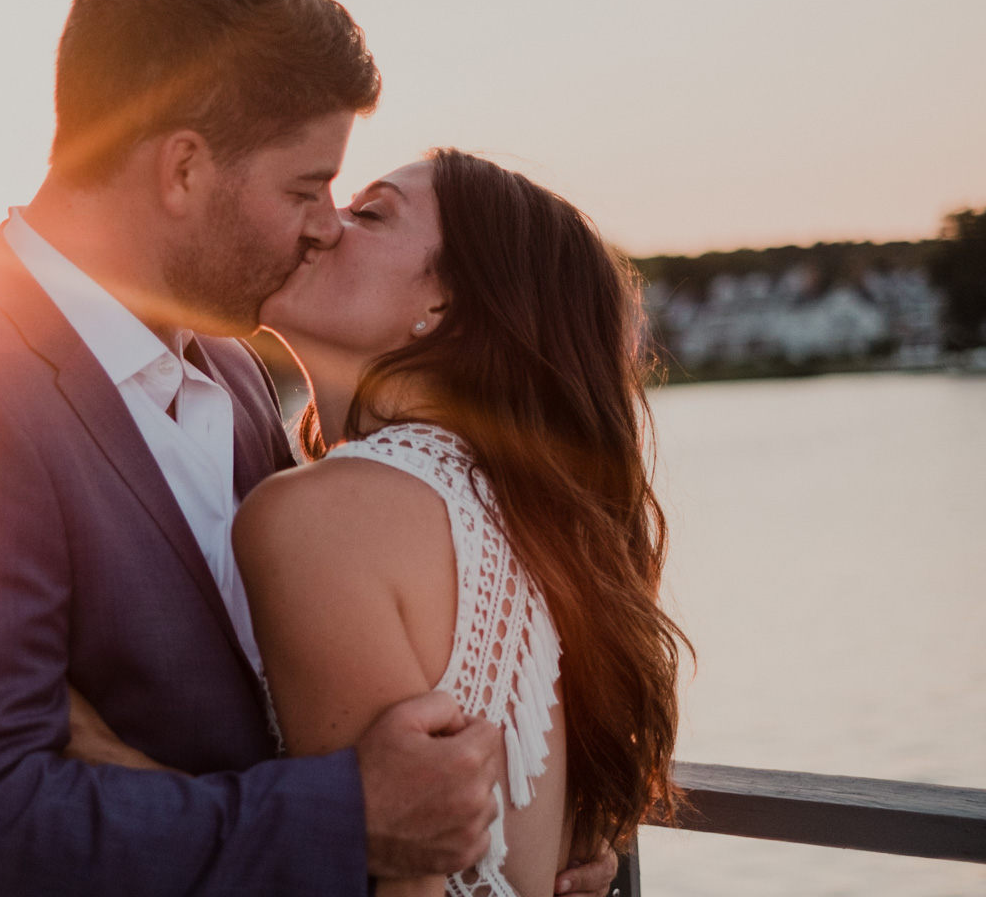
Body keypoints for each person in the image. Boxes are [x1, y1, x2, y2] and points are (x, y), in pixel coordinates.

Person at [0, 0, 620, 896]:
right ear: (185, 170)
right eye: (304, 187)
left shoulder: (236, 375)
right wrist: (350, 825)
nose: (324, 223)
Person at [239, 150, 690, 896]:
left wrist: (95, 750)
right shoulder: (530, 521)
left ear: (444, 307)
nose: (322, 224)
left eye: (369, 213)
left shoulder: (320, 518)